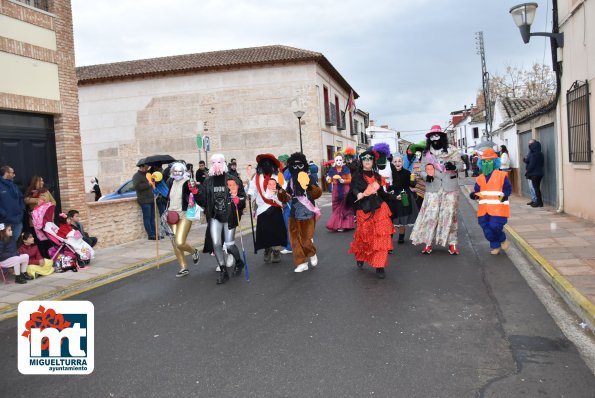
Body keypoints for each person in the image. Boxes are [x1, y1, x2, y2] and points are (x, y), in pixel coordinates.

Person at [410, 125, 463, 255]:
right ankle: (428, 243)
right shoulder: (426, 154)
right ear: (429, 138)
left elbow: (461, 165)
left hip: (449, 187)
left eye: (437, 135)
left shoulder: (453, 150)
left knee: (450, 216)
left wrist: (454, 166)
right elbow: (422, 170)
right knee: (430, 215)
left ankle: (452, 243)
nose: (435, 138)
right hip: (432, 188)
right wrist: (426, 176)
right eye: (432, 136)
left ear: (442, 137)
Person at [197, 154, 246, 284]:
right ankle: (223, 271)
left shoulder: (232, 179)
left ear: (224, 162)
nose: (216, 164)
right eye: (213, 162)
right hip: (215, 217)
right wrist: (196, 193)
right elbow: (204, 201)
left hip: (229, 216)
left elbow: (242, 197)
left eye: (219, 162)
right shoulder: (208, 182)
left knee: (229, 245)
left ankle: (239, 262)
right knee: (216, 244)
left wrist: (238, 201)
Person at [348, 150, 394, 279]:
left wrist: (395, 197)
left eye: (370, 159)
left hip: (380, 209)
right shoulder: (357, 176)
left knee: (381, 237)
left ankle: (380, 266)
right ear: (361, 161)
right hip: (364, 209)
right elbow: (354, 189)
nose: (367, 161)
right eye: (365, 159)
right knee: (365, 237)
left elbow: (383, 194)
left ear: (373, 161)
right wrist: (358, 194)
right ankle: (361, 256)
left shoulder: (378, 177)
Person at [247, 154, 289, 263]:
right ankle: (267, 249)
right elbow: (253, 189)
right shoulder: (256, 177)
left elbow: (284, 187)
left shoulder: (278, 175)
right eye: (263, 162)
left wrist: (280, 189)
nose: (266, 165)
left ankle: (276, 251)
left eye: (268, 163)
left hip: (275, 205)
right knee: (264, 231)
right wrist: (250, 194)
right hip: (262, 207)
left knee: (276, 230)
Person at [284, 152, 322, 273]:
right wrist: (280, 191)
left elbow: (317, 193)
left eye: (300, 165)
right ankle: (301, 262)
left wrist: (310, 187)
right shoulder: (290, 180)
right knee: (294, 239)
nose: (297, 168)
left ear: (304, 166)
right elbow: (285, 197)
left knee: (306, 240)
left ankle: (312, 253)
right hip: (294, 213)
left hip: (307, 213)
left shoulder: (309, 177)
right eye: (294, 166)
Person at [469, 149, 512, 255]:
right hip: (484, 210)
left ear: (494, 162)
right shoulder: (479, 178)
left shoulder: (501, 175)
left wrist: (502, 199)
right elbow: (478, 191)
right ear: (481, 163)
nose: (486, 163)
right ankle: (495, 245)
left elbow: (507, 189)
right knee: (486, 229)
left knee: (495, 226)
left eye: (489, 161)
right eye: (484, 161)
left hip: (498, 209)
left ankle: (502, 239)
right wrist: (474, 195)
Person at [165, 161, 200, 278]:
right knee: (175, 243)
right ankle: (183, 267)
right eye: (174, 171)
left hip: (185, 214)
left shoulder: (188, 182)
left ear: (183, 171)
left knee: (180, 242)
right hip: (172, 215)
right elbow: (168, 197)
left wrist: (194, 191)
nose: (177, 173)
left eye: (179, 171)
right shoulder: (170, 182)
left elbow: (196, 195)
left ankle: (194, 251)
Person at [390, 154, 419, 244]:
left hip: (404, 195)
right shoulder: (390, 173)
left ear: (402, 162)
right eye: (395, 161)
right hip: (392, 196)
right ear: (392, 163)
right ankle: (389, 238)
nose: (397, 163)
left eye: (399, 161)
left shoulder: (407, 172)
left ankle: (401, 236)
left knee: (403, 216)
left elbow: (412, 185)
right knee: (390, 218)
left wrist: (413, 179)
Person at [325, 152, 355, 232]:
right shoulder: (332, 170)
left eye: (340, 160)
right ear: (334, 161)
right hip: (336, 189)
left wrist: (343, 181)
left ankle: (346, 225)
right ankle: (337, 224)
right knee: (336, 206)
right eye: (337, 160)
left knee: (345, 206)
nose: (338, 161)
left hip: (345, 189)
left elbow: (350, 179)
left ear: (342, 160)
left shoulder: (346, 169)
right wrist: (328, 179)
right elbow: (330, 179)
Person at [0, 165, 26, 243]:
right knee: (4, 242)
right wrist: (3, 213)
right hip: (5, 220)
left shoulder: (14, 186)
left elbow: (21, 198)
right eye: (12, 173)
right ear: (6, 173)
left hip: (17, 219)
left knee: (14, 242)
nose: (14, 175)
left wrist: (22, 209)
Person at [132, 163, 157, 240]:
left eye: (148, 167)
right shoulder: (136, 176)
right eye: (146, 167)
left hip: (151, 199)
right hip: (144, 200)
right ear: (141, 167)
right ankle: (150, 235)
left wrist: (152, 181)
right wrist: (148, 184)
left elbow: (151, 184)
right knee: (147, 218)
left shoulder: (148, 175)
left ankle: (155, 234)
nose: (147, 169)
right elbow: (137, 187)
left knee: (152, 218)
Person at [278, 154, 292, 254]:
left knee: (288, 223)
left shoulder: (287, 171)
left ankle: (290, 246)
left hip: (288, 200)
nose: (280, 164)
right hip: (291, 199)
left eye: (281, 162)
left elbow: (284, 186)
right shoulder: (288, 170)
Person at [524, 139, 544, 207]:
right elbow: (542, 163)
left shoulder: (533, 155)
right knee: (537, 188)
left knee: (536, 188)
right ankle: (540, 202)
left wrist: (527, 171)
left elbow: (531, 165)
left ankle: (538, 203)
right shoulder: (540, 154)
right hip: (540, 173)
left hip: (534, 174)